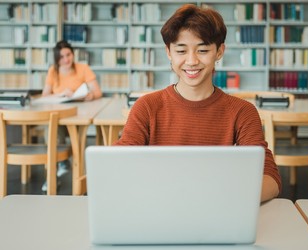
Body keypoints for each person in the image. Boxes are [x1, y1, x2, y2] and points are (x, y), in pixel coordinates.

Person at [114, 4, 281, 202]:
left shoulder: (242, 112)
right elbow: (119, 165)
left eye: (202, 50)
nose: (191, 61)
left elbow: (270, 177)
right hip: (159, 207)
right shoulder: (147, 106)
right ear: (169, 52)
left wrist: (225, 198)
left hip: (219, 208)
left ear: (219, 51)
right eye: (181, 50)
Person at [41, 40, 102, 191]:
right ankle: (52, 175)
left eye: (68, 55)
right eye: (61, 57)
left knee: (65, 138)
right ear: (56, 59)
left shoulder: (83, 68)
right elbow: (44, 96)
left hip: (79, 116)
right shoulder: (52, 71)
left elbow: (98, 92)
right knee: (50, 131)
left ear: (73, 54)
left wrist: (90, 96)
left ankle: (69, 168)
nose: (66, 59)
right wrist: (61, 94)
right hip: (59, 115)